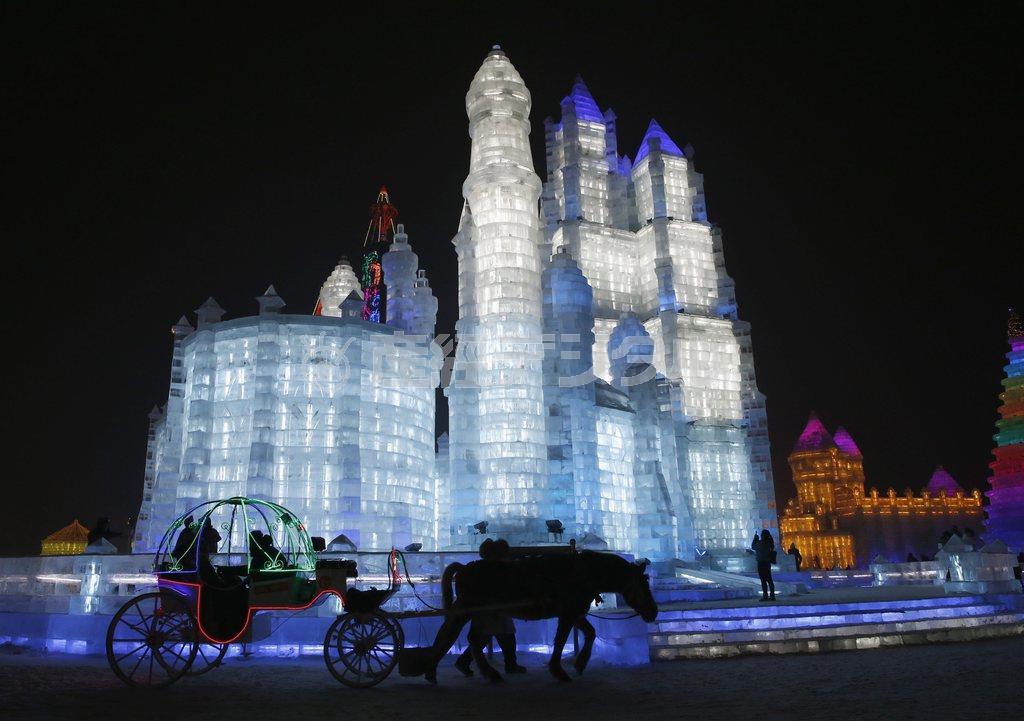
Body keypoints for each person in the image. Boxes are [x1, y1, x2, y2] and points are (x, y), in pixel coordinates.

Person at [454, 538, 526, 676]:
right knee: (503, 634)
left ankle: (464, 661)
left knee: (488, 635)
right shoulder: (496, 568)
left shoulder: (480, 567)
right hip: (493, 607)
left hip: (486, 607)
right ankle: (510, 665)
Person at [751, 529, 776, 601]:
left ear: (763, 535)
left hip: (761, 563)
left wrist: (755, 538)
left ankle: (765, 596)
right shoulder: (769, 543)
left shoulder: (761, 543)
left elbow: (753, 547)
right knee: (769, 580)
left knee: (763, 580)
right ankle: (772, 595)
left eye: (762, 534)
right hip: (767, 563)